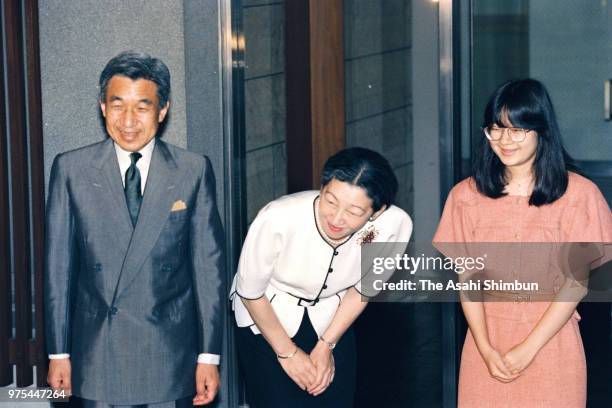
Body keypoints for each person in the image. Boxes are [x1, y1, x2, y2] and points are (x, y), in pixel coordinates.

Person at [44, 51, 226, 407]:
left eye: (142, 107)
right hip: (98, 350)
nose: (128, 121)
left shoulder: (192, 170)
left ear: (162, 110)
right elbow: (58, 270)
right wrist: (57, 351)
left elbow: (209, 271)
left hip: (168, 351)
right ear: (102, 107)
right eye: (117, 105)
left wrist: (208, 356)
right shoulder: (71, 169)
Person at [434, 78, 612, 407]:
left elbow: (576, 283)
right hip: (485, 346)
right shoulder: (465, 196)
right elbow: (467, 279)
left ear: (541, 131)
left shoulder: (579, 195)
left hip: (552, 345)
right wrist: (486, 348)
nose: (504, 140)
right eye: (495, 129)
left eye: (517, 130)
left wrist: (529, 348)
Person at [230, 147, 413, 407]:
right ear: (323, 186)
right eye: (330, 201)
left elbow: (362, 290)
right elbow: (250, 292)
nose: (336, 218)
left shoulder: (393, 226)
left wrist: (327, 345)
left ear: (377, 211)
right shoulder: (278, 217)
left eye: (354, 211)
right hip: (266, 314)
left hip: (332, 315)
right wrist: (288, 353)